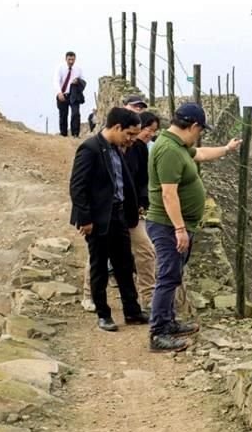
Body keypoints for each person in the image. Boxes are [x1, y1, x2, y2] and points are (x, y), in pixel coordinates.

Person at [146, 103, 242, 351]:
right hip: (167, 225)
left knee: (173, 274)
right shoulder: (168, 150)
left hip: (178, 224)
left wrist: (227, 149)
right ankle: (158, 333)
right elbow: (168, 194)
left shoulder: (178, 146)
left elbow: (200, 154)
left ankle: (168, 322)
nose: (199, 135)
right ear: (194, 126)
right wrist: (179, 229)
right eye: (200, 130)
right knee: (167, 277)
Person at [69, 107, 150, 332]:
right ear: (116, 127)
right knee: (99, 267)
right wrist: (85, 219)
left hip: (119, 216)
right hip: (98, 219)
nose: (132, 139)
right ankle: (103, 314)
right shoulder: (90, 149)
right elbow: (78, 187)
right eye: (130, 134)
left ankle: (132, 311)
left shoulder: (116, 149)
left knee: (124, 264)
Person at [125, 111, 160, 309]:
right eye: (149, 129)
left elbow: (141, 181)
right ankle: (90, 294)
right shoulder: (122, 149)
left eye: (154, 131)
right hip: (119, 211)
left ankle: (148, 298)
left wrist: (142, 203)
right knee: (102, 253)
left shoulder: (142, 149)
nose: (150, 134)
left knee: (146, 251)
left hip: (135, 212)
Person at [55, 51, 85, 137]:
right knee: (63, 115)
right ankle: (63, 134)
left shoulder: (78, 69)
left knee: (76, 113)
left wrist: (78, 81)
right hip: (63, 94)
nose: (71, 61)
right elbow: (56, 81)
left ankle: (75, 133)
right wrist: (59, 92)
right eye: (69, 59)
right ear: (66, 59)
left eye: (73, 59)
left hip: (74, 95)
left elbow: (83, 81)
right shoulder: (60, 68)